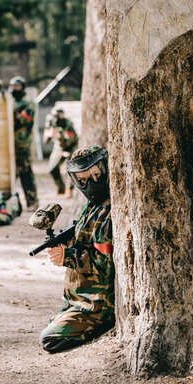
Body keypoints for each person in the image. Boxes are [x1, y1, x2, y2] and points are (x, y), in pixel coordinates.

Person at [40, 145, 114, 352]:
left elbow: (107, 265)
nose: (90, 184)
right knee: (52, 325)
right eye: (83, 180)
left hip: (98, 305)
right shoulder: (92, 206)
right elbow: (86, 239)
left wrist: (69, 257)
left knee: (49, 339)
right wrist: (69, 246)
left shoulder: (108, 209)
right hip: (79, 299)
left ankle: (104, 324)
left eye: (96, 176)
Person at [10, 76, 39, 210]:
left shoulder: (28, 103)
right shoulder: (12, 102)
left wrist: (11, 111)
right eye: (13, 86)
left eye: (17, 87)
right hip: (10, 145)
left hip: (22, 144)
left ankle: (32, 201)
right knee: (9, 174)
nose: (15, 89)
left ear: (22, 87)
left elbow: (23, 120)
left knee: (25, 173)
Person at [44, 108, 78, 197]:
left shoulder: (68, 123)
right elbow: (45, 141)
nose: (57, 119)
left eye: (59, 116)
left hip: (71, 146)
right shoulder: (51, 123)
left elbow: (71, 140)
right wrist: (49, 135)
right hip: (59, 146)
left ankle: (69, 190)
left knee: (70, 168)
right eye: (55, 116)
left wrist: (61, 136)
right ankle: (61, 188)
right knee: (52, 168)